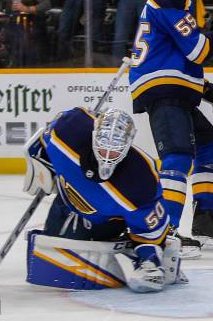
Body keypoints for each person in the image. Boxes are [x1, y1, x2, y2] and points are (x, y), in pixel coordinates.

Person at [129, 0, 213, 255]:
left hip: (172, 88)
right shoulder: (168, 0)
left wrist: (205, 89)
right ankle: (166, 232)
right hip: (163, 90)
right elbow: (199, 51)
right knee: (178, 156)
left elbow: (178, 58)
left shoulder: (176, 2)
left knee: (209, 148)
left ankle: (204, 221)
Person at [23, 108, 186, 293]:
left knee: (58, 268)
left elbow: (149, 231)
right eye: (102, 146)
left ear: (127, 146)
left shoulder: (140, 179)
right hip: (66, 200)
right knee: (47, 256)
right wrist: (40, 166)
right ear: (94, 135)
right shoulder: (68, 128)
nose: (107, 156)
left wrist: (150, 261)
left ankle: (160, 250)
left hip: (103, 224)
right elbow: (41, 141)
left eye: (115, 150)